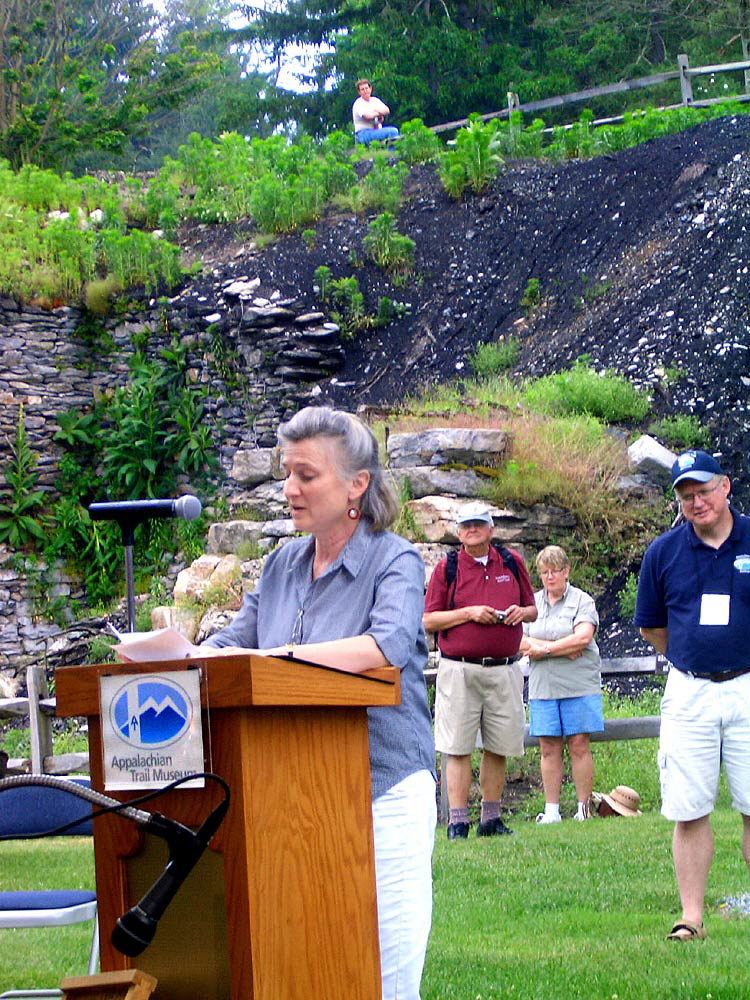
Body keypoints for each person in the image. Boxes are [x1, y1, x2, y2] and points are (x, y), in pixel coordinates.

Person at [202, 406, 437, 998]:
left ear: (357, 484)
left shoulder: (396, 560)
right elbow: (235, 642)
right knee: (307, 965)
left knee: (383, 974)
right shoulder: (282, 565)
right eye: (287, 474)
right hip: (292, 797)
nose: (290, 488)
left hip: (383, 791)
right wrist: (180, 652)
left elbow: (383, 644)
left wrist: (279, 661)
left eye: (307, 475)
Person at [635, 449, 750, 942]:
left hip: (748, 685)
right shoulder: (663, 552)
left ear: (725, 486)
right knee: (689, 808)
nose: (696, 502)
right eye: (685, 495)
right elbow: (652, 625)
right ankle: (692, 917)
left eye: (703, 491)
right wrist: (694, 658)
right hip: (690, 692)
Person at [423, 501, 537, 839]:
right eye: (466, 526)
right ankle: (457, 822)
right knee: (457, 745)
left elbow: (533, 609)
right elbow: (429, 619)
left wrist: (520, 613)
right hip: (459, 669)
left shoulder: (512, 563)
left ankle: (490, 819)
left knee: (498, 745)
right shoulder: (448, 568)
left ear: (491, 530)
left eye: (479, 524)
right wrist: (469, 613)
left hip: (504, 669)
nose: (472, 530)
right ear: (458, 533)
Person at [520, 545, 603, 824]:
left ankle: (583, 809)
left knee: (579, 744)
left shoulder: (582, 601)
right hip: (544, 686)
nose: (550, 577)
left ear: (566, 571)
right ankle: (552, 810)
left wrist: (542, 649)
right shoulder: (531, 604)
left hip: (578, 684)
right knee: (548, 746)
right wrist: (557, 649)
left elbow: (583, 638)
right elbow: (521, 642)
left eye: (555, 571)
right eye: (544, 572)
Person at [352, 78, 400, 146]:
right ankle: (392, 155)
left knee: (394, 131)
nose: (365, 91)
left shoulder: (375, 100)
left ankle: (391, 154)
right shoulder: (358, 103)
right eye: (362, 89)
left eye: (366, 88)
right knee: (393, 131)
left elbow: (387, 110)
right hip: (363, 133)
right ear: (359, 92)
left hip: (376, 131)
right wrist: (378, 112)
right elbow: (368, 116)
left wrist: (375, 112)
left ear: (370, 89)